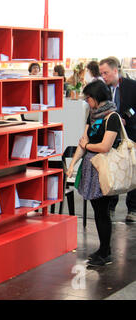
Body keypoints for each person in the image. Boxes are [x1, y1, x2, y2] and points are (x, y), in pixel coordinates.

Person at [66, 80, 120, 266]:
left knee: (102, 211)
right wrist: (73, 163)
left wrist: (87, 146)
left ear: (96, 97)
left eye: (88, 98)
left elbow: (105, 146)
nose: (87, 101)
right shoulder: (92, 115)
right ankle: (103, 249)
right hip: (90, 167)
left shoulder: (112, 117)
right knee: (98, 210)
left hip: (103, 168)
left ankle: (106, 251)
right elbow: (83, 140)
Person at [99, 57, 136, 222]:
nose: (104, 76)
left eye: (106, 73)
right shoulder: (103, 90)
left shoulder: (131, 86)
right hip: (110, 136)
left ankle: (133, 209)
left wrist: (127, 118)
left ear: (115, 70)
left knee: (132, 168)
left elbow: (135, 109)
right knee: (111, 168)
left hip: (130, 133)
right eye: (101, 73)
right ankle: (110, 206)